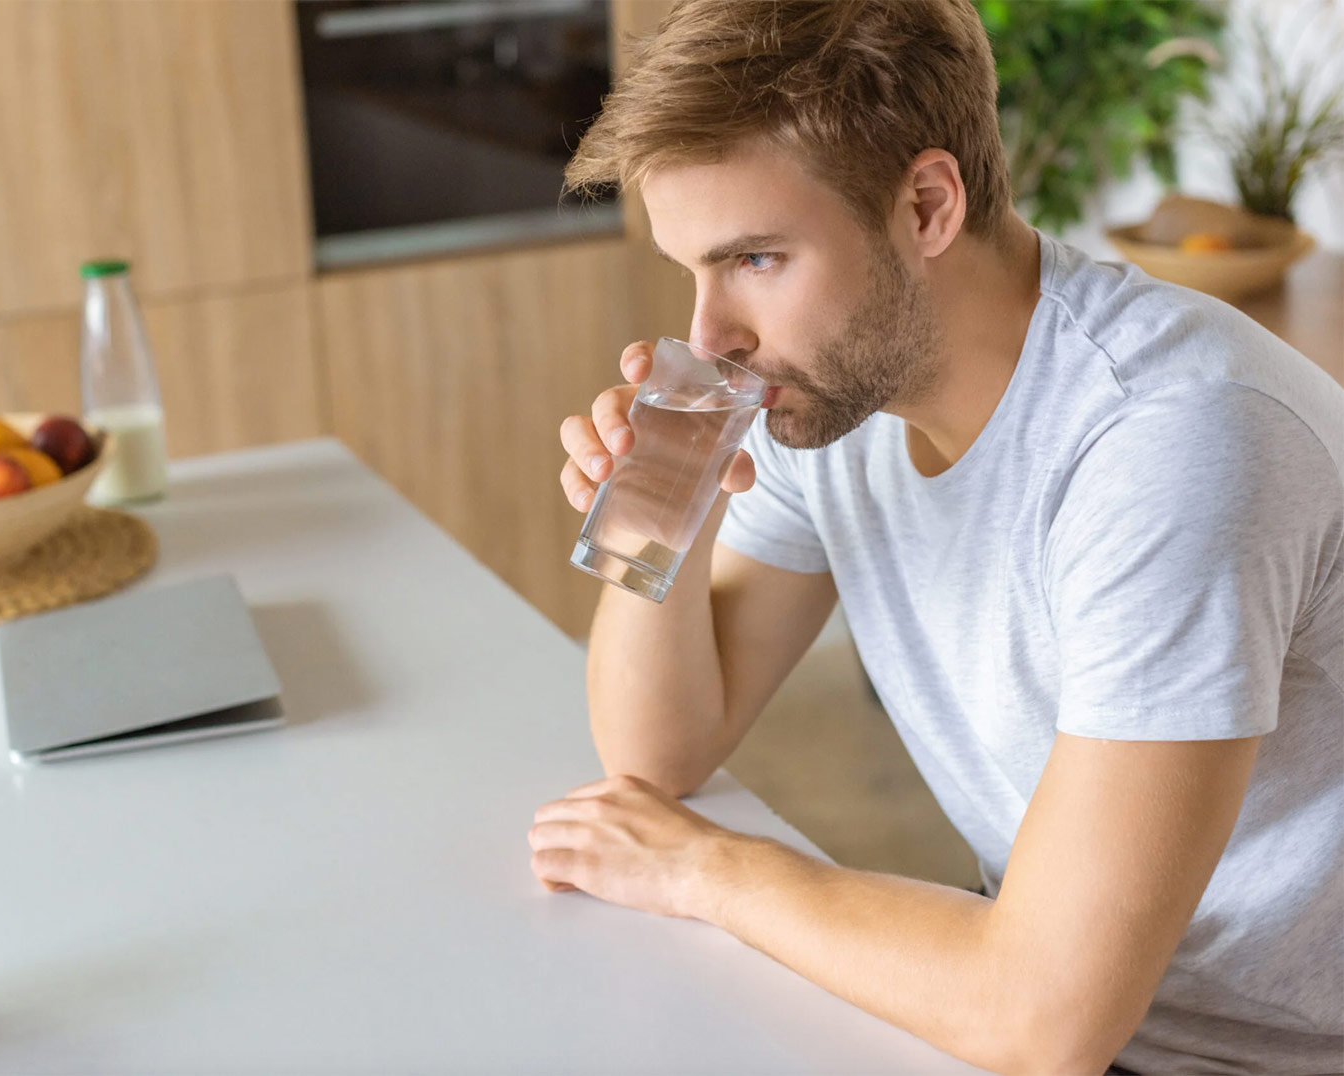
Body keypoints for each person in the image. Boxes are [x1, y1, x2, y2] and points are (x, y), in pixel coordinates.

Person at [529, 2, 1344, 1072]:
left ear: (925, 205)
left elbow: (1043, 1021)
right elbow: (656, 751)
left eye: (755, 259)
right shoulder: (829, 389)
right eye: (694, 271)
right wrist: (659, 511)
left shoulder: (1168, 444)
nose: (708, 336)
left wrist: (706, 871)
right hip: (1072, 995)